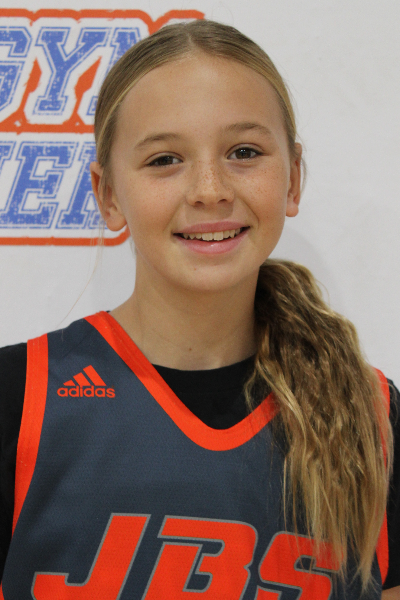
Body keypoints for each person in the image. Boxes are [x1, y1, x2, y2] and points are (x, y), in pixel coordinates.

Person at [0, 19, 399, 599]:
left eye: (244, 152)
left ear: (293, 178)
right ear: (108, 195)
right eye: (165, 159)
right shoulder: (20, 398)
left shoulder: (371, 417)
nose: (210, 189)